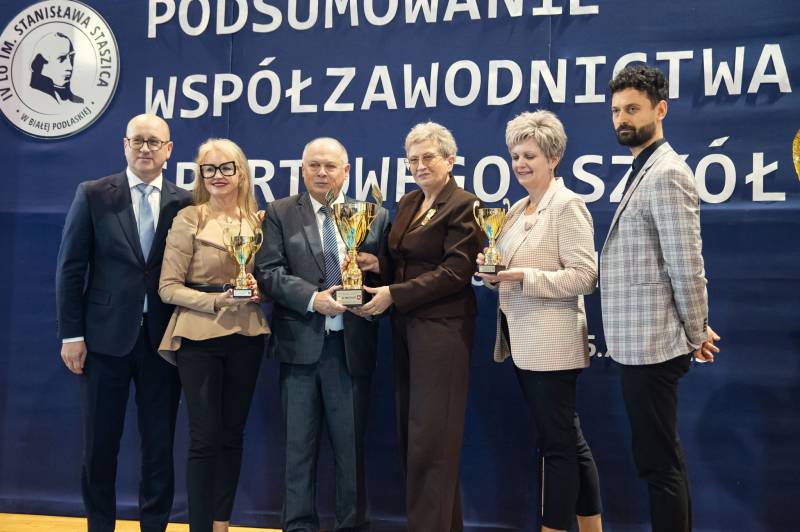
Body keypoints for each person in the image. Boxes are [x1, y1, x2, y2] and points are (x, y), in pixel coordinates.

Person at [55, 114, 192, 532]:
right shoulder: (94, 194)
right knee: (99, 446)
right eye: (138, 141)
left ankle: (154, 525)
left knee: (159, 446)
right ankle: (100, 525)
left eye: (154, 141)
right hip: (103, 341)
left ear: (169, 150)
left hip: (163, 342)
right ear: (125, 145)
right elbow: (70, 269)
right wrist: (72, 335)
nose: (145, 148)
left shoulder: (186, 202)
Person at [601, 64, 721, 532]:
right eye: (616, 111)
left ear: (661, 110)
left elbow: (686, 265)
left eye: (633, 109)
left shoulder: (667, 173)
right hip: (638, 345)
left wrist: (696, 331)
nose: (622, 119)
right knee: (655, 461)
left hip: (653, 345)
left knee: (659, 465)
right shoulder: (642, 170)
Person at [254, 137, 389, 532]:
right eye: (313, 165)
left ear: (346, 171)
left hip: (351, 350)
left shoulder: (374, 216)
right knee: (297, 450)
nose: (321, 172)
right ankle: (298, 526)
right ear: (302, 169)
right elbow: (269, 272)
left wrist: (378, 264)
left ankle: (352, 526)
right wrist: (314, 299)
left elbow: (394, 274)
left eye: (330, 166)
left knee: (351, 452)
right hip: (299, 349)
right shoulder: (280, 212)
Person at [476, 111, 603, 532]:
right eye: (515, 156)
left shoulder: (567, 206)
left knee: (558, 447)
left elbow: (585, 277)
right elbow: (504, 270)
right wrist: (493, 273)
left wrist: (522, 276)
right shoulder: (516, 209)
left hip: (554, 346)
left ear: (553, 158)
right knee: (569, 440)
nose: (520, 164)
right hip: (522, 343)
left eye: (529, 155)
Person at [356, 122, 482, 532]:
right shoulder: (410, 201)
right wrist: (378, 265)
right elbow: (405, 260)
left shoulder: (464, 205)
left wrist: (394, 293)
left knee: (432, 440)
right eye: (413, 160)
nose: (420, 165)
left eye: (429, 157)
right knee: (416, 437)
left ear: (450, 160)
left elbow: (455, 272)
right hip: (406, 327)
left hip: (443, 329)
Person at [158, 139, 270, 532]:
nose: (217, 176)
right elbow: (168, 288)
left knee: (232, 435)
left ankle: (221, 524)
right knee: (204, 438)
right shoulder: (189, 218)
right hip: (197, 336)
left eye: (225, 168)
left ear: (241, 172)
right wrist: (215, 301)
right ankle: (201, 526)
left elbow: (269, 278)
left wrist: (260, 291)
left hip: (248, 334)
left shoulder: (259, 221)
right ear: (201, 175)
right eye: (209, 169)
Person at [29, 32, 84, 104]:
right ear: (41, 60)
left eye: (71, 58)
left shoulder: (79, 102)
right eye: (61, 58)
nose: (70, 67)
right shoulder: (31, 100)